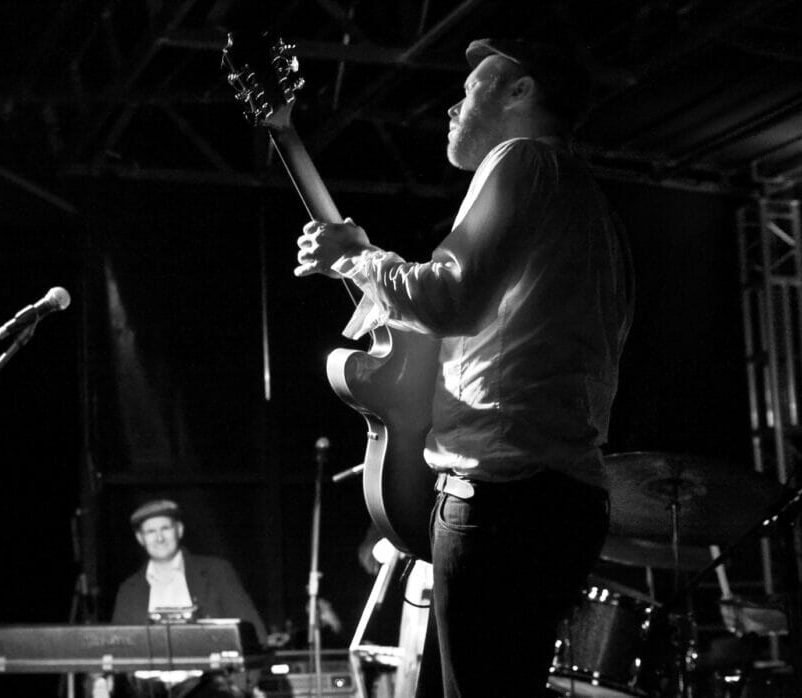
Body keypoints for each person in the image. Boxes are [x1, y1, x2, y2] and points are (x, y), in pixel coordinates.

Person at [295, 38, 634, 697]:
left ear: (521, 91)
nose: (451, 105)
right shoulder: (595, 212)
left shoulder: (521, 159)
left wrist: (355, 256)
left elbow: (447, 298)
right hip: (563, 499)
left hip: (501, 501)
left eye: (472, 87)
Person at [111, 499, 267, 644]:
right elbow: (118, 647)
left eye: (165, 528)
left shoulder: (217, 572)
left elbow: (253, 633)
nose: (159, 538)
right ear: (140, 538)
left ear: (179, 530)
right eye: (151, 532)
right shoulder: (129, 590)